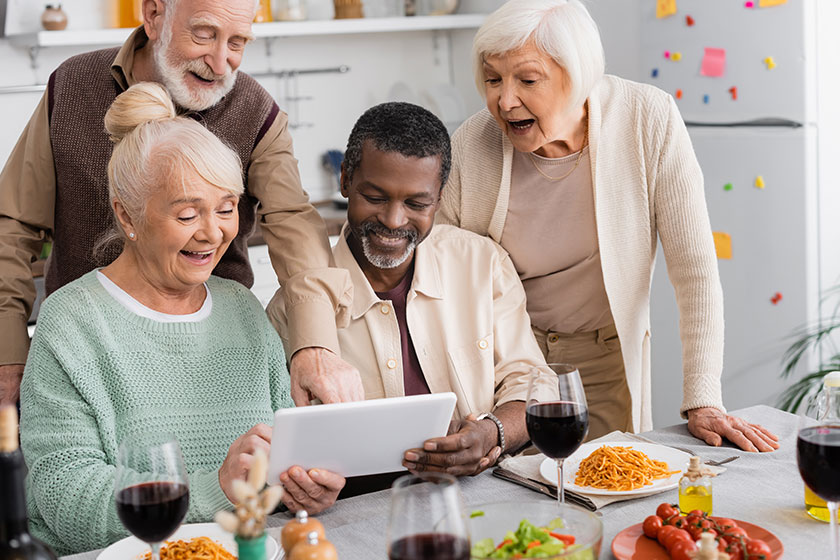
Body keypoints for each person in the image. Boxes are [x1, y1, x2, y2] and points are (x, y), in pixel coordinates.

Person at [19, 83, 344, 556]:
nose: (214, 233)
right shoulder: (71, 322)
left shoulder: (241, 309)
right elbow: (65, 497)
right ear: (127, 216)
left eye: (227, 208)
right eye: (189, 213)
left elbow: (283, 455)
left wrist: (304, 485)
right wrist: (217, 489)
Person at [438, 0, 779, 451]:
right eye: (493, 79)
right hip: (502, 365)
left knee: (603, 489)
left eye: (527, 79)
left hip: (599, 362)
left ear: (577, 75)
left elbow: (694, 271)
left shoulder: (646, 119)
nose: (505, 100)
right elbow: (437, 274)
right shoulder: (471, 142)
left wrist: (703, 398)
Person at [0, 0, 362, 410]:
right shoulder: (70, 86)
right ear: (154, 15)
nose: (221, 63)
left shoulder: (257, 112)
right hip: (86, 356)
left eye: (237, 42)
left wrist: (315, 345)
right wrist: (7, 352)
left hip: (214, 357)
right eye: (205, 34)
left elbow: (293, 221)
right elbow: (13, 224)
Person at [270, 102, 555, 477]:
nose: (393, 220)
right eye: (375, 197)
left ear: (439, 197)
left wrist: (492, 433)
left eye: (417, 203)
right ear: (345, 180)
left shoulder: (481, 263)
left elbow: (533, 380)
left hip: (483, 492)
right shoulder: (293, 310)